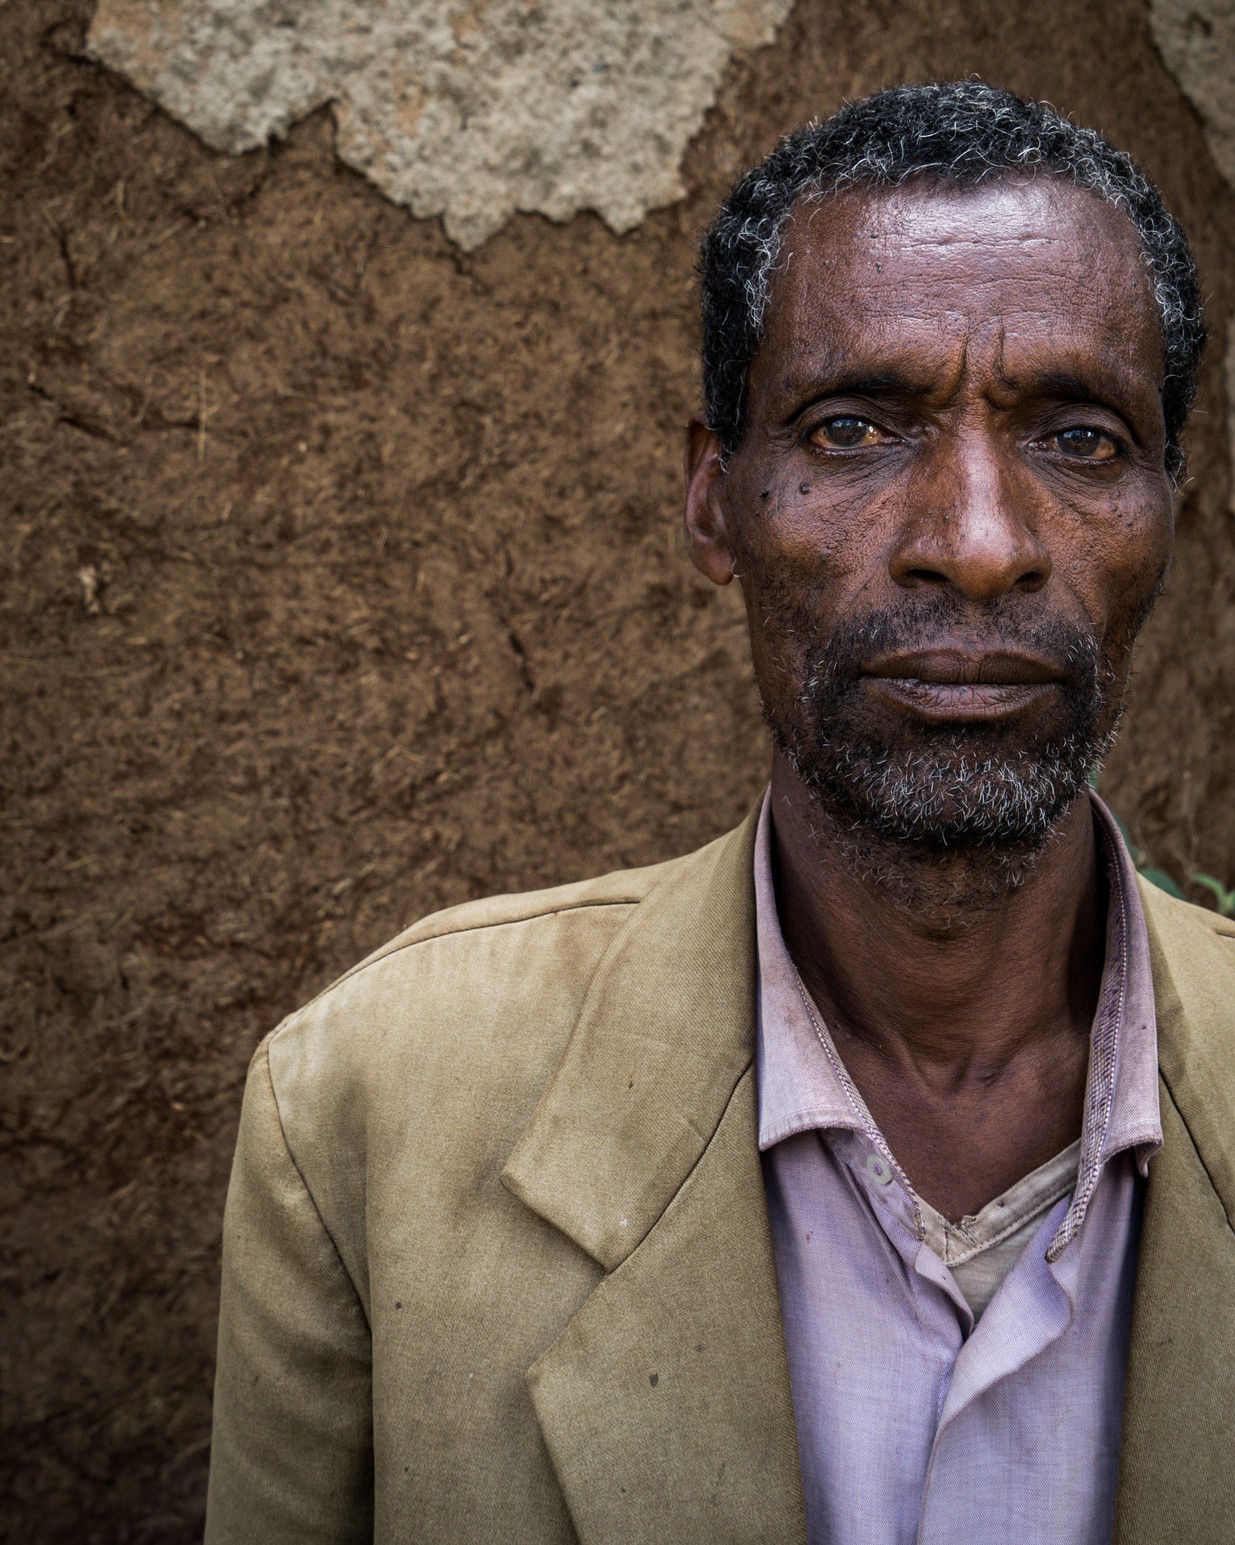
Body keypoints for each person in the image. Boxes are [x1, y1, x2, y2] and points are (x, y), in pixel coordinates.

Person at [204, 82, 1235, 1545]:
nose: (980, 543)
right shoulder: (370, 1105)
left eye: (1077, 437)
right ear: (715, 501)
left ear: (1170, 511)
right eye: (858, 426)